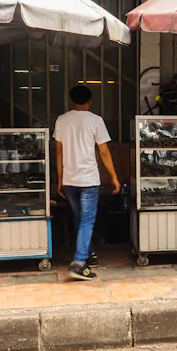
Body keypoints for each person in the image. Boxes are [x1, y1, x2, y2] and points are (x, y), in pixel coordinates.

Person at [54, 85, 120, 281]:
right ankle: (79, 262)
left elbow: (58, 151)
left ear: (71, 100)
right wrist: (114, 176)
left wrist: (60, 179)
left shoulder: (62, 120)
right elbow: (104, 151)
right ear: (90, 101)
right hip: (89, 179)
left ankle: (89, 254)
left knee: (79, 219)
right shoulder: (96, 120)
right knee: (86, 221)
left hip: (70, 180)